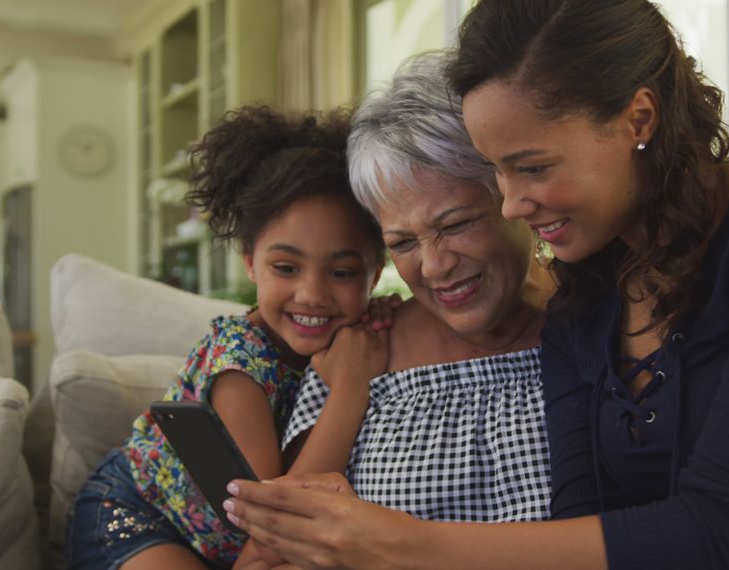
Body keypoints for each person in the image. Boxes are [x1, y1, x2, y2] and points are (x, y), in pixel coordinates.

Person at [224, 1, 729, 569]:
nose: (511, 204)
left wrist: (399, 546)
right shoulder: (587, 299)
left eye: (533, 168)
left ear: (639, 118)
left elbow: (724, 532)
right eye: (497, 173)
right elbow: (582, 524)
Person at [233, 49, 556, 567]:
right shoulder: (362, 350)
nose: (434, 266)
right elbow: (264, 557)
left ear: (512, 192)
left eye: (454, 225)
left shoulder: (603, 326)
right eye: (403, 243)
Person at [66, 105, 392, 570]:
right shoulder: (239, 363)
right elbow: (275, 517)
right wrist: (351, 389)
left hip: (228, 544)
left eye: (341, 272)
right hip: (139, 517)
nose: (313, 294)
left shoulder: (357, 337)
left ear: (374, 275)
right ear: (249, 260)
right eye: (286, 267)